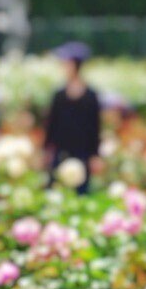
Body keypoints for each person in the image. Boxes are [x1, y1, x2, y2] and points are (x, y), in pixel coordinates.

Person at [40, 41, 101, 196]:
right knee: (56, 190)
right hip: (61, 152)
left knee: (81, 192)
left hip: (83, 153)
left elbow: (95, 127)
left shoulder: (90, 96)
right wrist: (46, 150)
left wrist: (95, 155)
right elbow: (52, 125)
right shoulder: (59, 95)